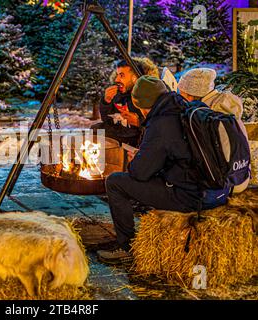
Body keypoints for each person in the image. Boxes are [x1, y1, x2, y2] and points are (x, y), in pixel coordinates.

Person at [97, 76, 228, 265]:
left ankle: (126, 248)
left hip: (191, 196)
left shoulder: (161, 124)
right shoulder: (184, 107)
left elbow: (140, 173)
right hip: (216, 190)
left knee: (116, 182)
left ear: (143, 104)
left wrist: (138, 159)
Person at [178, 68, 250, 192]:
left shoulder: (205, 115)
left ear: (190, 95)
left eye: (181, 93)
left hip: (224, 185)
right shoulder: (226, 104)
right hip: (242, 177)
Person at [91, 57, 159, 147]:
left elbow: (159, 128)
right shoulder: (117, 94)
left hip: (136, 140)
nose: (117, 80)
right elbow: (106, 119)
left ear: (135, 78)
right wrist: (106, 101)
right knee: (96, 129)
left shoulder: (148, 96)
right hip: (119, 134)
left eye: (122, 75)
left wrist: (138, 122)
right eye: (117, 75)